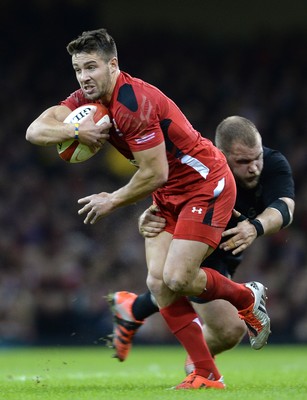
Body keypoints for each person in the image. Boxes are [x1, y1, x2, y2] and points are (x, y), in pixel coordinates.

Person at [26, 29, 270, 390]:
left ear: (113, 64)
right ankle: (206, 374)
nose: (84, 77)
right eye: (78, 69)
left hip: (206, 185)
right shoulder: (85, 100)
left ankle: (247, 296)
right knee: (158, 284)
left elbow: (156, 172)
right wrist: (73, 132)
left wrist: (112, 200)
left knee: (176, 278)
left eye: (91, 67)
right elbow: (35, 130)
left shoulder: (132, 102)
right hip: (170, 192)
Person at [108, 115, 295, 373]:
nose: (254, 168)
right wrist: (148, 215)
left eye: (256, 158)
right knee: (171, 282)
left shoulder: (273, 163)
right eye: (243, 161)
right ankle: (200, 367)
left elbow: (285, 207)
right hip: (189, 238)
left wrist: (255, 226)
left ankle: (133, 309)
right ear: (221, 154)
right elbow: (165, 194)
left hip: (223, 252)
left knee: (228, 331)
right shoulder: (201, 164)